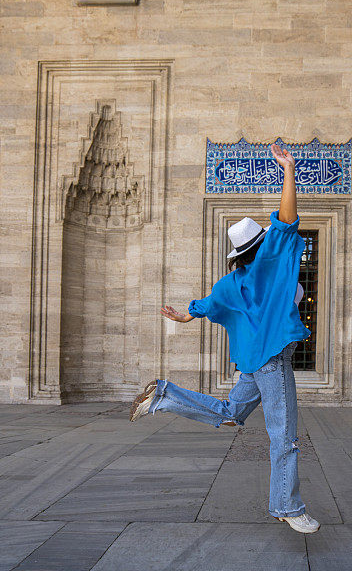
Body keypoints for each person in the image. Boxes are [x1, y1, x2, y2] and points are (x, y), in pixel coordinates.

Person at [129, 142, 320, 534]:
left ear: (237, 255)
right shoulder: (270, 264)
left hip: (253, 362)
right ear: (261, 246)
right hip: (272, 362)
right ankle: (287, 504)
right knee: (283, 437)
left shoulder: (228, 284)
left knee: (231, 414)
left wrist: (184, 316)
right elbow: (286, 220)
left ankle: (162, 395)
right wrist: (289, 169)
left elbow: (204, 305)